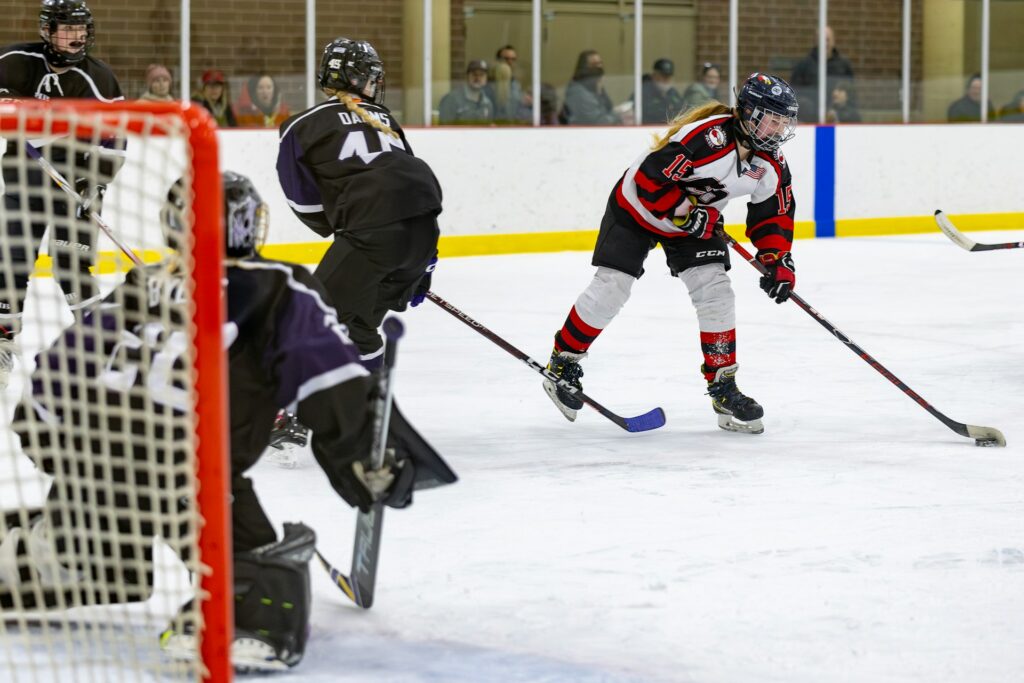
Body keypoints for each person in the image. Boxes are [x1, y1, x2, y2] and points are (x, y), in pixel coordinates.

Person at [0, 171, 456, 671]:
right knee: (265, 589)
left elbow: (53, 378)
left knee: (103, 565)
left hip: (89, 471)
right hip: (192, 480)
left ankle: (37, 551)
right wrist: (363, 459)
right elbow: (330, 382)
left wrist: (51, 445)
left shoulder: (141, 284)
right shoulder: (278, 286)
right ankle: (246, 603)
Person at [542, 73, 799, 436]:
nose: (779, 127)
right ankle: (563, 362)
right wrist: (684, 212)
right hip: (637, 210)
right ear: (749, 112)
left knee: (716, 291)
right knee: (613, 286)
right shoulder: (707, 137)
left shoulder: (770, 163)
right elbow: (650, 179)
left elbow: (774, 213)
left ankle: (723, 386)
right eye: (773, 118)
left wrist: (777, 260)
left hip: (693, 223)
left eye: (784, 120)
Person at [277, 37, 442, 370]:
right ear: (354, 78)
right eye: (370, 75)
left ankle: (359, 407)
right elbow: (406, 188)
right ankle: (363, 404)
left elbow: (304, 203)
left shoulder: (300, 126)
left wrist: (341, 223)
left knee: (320, 318)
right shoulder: (385, 119)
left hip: (371, 236)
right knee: (356, 323)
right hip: (424, 236)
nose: (374, 83)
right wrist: (424, 265)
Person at [0, 0, 125, 390]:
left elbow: (116, 141)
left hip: (78, 182)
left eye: (81, 29)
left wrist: (95, 182)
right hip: (24, 174)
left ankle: (102, 347)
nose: (77, 37)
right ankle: (2, 343)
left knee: (70, 266)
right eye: (67, 29)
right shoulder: (14, 61)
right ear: (47, 31)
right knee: (13, 258)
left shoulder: (100, 80)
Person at [790, 25, 855, 123]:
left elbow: (851, 93)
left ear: (833, 41)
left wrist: (843, 105)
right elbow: (795, 93)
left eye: (828, 40)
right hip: (810, 117)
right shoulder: (804, 65)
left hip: (840, 117)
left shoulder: (843, 65)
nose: (825, 43)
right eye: (822, 40)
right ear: (816, 41)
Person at [561, 49, 621, 125]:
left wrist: (600, 92)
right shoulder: (577, 92)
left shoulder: (595, 86)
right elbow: (598, 122)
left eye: (600, 63)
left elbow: (609, 108)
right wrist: (617, 116)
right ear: (584, 67)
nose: (599, 67)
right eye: (594, 64)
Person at [485, 44, 531, 123]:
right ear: (497, 61)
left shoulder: (516, 85)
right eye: (506, 59)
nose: (510, 62)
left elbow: (519, 110)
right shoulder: (488, 85)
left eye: (513, 59)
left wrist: (528, 103)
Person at [438, 59, 494, 125]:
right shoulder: (451, 99)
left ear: (486, 79)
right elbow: (444, 129)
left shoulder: (487, 104)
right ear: (467, 76)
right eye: (474, 74)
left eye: (481, 75)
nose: (478, 78)